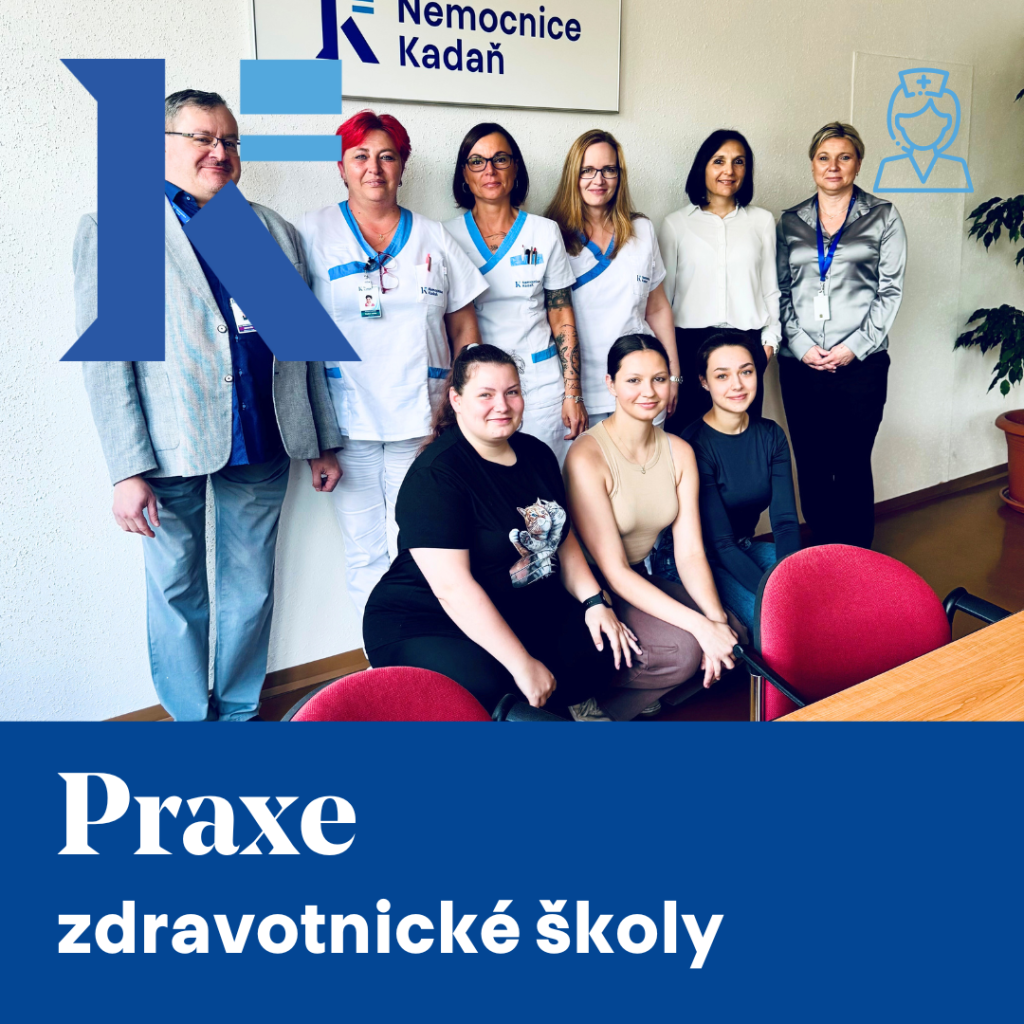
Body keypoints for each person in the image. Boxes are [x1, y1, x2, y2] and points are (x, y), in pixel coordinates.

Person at [74, 89, 344, 722]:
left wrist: (320, 439)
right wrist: (126, 469)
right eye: (203, 138)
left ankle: (241, 716)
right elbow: (109, 364)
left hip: (265, 437)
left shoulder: (267, 230)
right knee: (177, 592)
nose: (220, 152)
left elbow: (300, 348)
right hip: (169, 449)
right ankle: (192, 722)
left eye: (229, 141)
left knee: (251, 588)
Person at [362, 344, 640, 719]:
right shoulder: (435, 476)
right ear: (457, 400)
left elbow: (561, 538)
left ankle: (554, 705)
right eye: (486, 395)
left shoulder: (537, 454)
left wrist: (594, 602)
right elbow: (453, 589)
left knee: (598, 647)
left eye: (511, 392)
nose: (502, 405)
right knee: (493, 685)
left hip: (512, 602)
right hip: (425, 617)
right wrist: (521, 663)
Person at [298, 110, 487, 610]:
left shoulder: (434, 236)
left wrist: (462, 412)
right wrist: (313, 439)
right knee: (364, 553)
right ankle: (378, 655)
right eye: (360, 156)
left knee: (420, 547)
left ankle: (419, 647)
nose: (373, 168)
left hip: (422, 419)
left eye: (387, 156)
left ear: (403, 166)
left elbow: (464, 329)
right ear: (341, 166)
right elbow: (291, 336)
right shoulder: (311, 232)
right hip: (346, 423)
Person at [564, 336, 744, 721]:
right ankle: (584, 706)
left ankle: (648, 687)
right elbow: (613, 572)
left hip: (635, 577)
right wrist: (702, 629)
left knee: (735, 637)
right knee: (684, 651)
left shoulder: (679, 452)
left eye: (659, 379)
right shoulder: (587, 455)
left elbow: (689, 552)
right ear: (611, 384)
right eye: (633, 380)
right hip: (591, 589)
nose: (648, 392)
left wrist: (715, 623)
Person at [776, 121, 907, 548]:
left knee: (851, 463)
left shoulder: (883, 216)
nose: (833, 166)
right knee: (811, 463)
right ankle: (823, 553)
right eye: (824, 157)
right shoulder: (790, 221)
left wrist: (854, 347)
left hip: (861, 366)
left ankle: (856, 558)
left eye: (844, 157)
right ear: (812, 163)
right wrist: (800, 346)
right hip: (802, 365)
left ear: (858, 163)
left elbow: (890, 291)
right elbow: (779, 290)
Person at [444, 123, 584, 465]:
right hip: (480, 386)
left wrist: (573, 392)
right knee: (491, 481)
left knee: (547, 476)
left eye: (500, 159)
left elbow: (560, 313)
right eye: (477, 161)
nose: (489, 170)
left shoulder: (544, 232)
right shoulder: (446, 237)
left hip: (540, 382)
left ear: (515, 167)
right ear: (464, 174)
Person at [653, 333, 801, 634]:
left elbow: (785, 523)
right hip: (692, 560)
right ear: (704, 382)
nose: (737, 385)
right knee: (773, 622)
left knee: (817, 585)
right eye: (722, 376)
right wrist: (777, 595)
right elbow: (720, 543)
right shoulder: (694, 444)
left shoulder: (771, 435)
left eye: (746, 372)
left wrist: (791, 582)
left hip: (741, 547)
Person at [545, 129, 680, 426]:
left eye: (609, 170)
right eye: (587, 170)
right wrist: (572, 394)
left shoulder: (641, 230)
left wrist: (672, 375)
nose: (599, 180)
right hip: (581, 390)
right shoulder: (552, 234)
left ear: (620, 176)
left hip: (642, 386)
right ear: (572, 175)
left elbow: (657, 308)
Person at [659, 130, 781, 432]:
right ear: (703, 167)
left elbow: (770, 288)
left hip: (746, 346)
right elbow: (663, 300)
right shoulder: (676, 224)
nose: (729, 170)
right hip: (690, 348)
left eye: (738, 162)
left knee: (741, 436)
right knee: (688, 437)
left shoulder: (762, 221)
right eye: (719, 161)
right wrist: (669, 365)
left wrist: (769, 344)